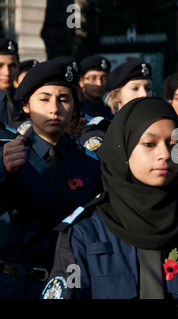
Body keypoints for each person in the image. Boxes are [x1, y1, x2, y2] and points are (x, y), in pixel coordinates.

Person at [40, 97, 178, 299]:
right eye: (149, 144)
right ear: (123, 150)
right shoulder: (84, 233)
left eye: (173, 144)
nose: (165, 154)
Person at [0, 58, 103, 299]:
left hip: (74, 284)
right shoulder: (9, 156)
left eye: (64, 99)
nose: (55, 108)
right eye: (44, 99)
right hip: (15, 286)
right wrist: (4, 171)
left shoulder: (90, 164)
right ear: (26, 106)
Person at [80, 59, 153, 152]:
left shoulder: (158, 126)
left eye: (148, 88)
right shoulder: (99, 130)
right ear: (116, 96)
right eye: (135, 88)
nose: (144, 94)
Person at [0, 38, 26, 131]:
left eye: (12, 66)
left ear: (18, 66)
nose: (7, 73)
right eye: (0, 66)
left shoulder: (26, 100)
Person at [78, 54, 113, 120]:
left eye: (104, 78)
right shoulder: (75, 113)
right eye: (93, 78)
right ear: (81, 82)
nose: (99, 84)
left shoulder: (112, 112)